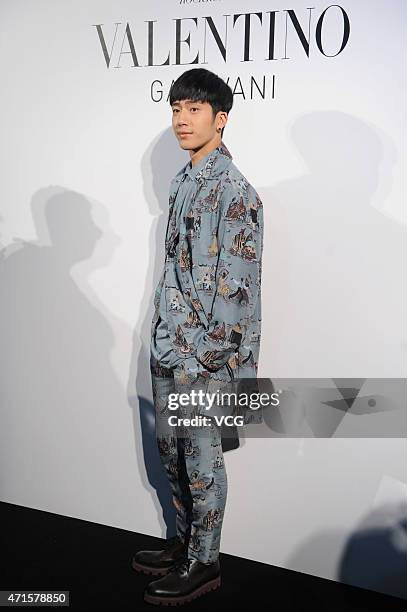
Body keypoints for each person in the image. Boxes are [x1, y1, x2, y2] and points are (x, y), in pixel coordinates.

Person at [132, 68, 264, 605]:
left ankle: (205, 561)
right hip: (170, 344)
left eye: (194, 109)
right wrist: (164, 335)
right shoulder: (183, 180)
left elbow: (237, 293)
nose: (182, 119)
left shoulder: (235, 192)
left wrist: (206, 358)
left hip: (204, 358)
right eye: (176, 109)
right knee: (173, 454)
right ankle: (185, 541)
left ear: (221, 118)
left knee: (202, 459)